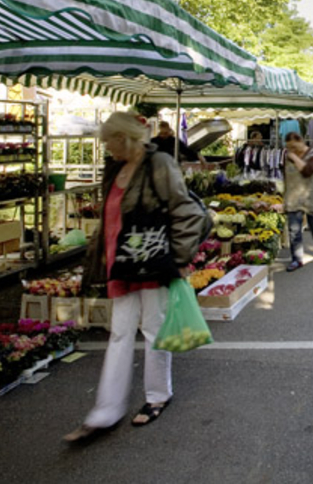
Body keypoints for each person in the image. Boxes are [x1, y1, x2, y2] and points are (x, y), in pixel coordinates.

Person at [64, 112, 206, 443]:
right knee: (120, 332)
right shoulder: (114, 167)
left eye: (109, 141)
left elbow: (187, 212)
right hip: (121, 263)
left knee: (153, 328)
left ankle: (158, 395)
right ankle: (106, 410)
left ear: (124, 138)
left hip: (152, 259)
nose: (106, 147)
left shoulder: (159, 163)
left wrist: (180, 258)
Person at [283, 131, 313, 271]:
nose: (292, 150)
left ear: (301, 142)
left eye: (294, 146)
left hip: (312, 197)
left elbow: (308, 171)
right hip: (293, 197)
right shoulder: (287, 156)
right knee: (294, 230)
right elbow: (284, 175)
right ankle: (296, 259)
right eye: (289, 147)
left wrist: (295, 158)